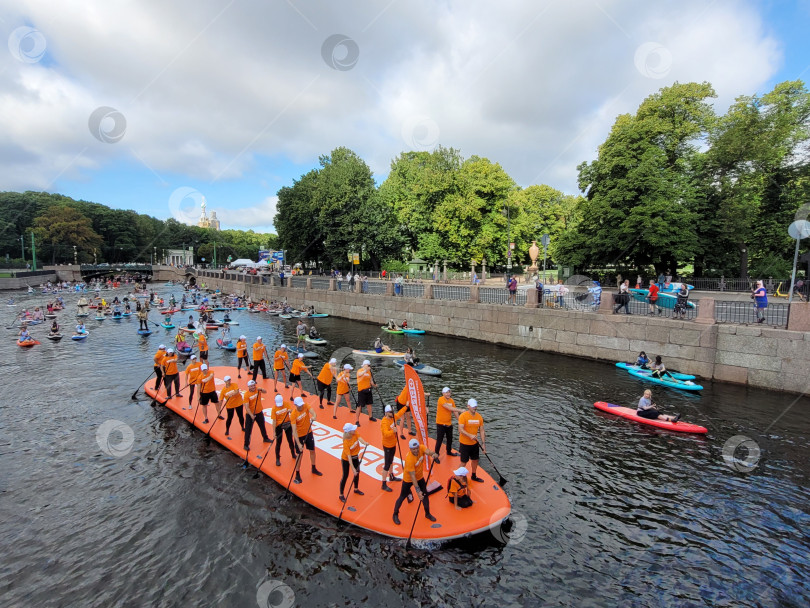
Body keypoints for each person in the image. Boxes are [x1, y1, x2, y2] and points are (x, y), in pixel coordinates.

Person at [392, 438, 439, 525]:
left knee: (425, 495)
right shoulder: (409, 459)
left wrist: (433, 454)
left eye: (417, 448)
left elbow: (427, 451)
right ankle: (395, 514)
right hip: (409, 479)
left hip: (420, 477)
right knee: (402, 496)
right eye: (414, 449)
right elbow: (412, 477)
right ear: (410, 449)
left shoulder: (421, 448)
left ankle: (427, 513)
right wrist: (418, 492)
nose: (416, 450)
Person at [291, 396, 323, 483]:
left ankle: (313, 468)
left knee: (312, 450)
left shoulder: (306, 406)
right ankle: (297, 473)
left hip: (308, 433)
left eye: (301, 405)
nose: (301, 407)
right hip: (299, 435)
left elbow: (313, 412)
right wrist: (298, 443)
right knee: (300, 455)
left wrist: (314, 416)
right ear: (296, 405)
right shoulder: (293, 414)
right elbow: (294, 431)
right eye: (299, 406)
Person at [458, 398, 486, 482]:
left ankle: (474, 475)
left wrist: (483, 444)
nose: (475, 408)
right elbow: (460, 429)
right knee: (464, 462)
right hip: (464, 443)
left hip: (474, 444)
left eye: (475, 406)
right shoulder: (463, 416)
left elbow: (481, 430)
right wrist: (469, 435)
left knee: (475, 460)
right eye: (473, 406)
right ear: (468, 406)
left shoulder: (479, 417)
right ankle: (458, 477)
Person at [339, 422, 368, 502]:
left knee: (357, 472)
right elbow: (349, 458)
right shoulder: (346, 442)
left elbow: (360, 438)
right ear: (349, 432)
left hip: (355, 456)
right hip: (346, 459)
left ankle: (356, 488)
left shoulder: (355, 433)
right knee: (345, 475)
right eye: (352, 429)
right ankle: (341, 494)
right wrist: (353, 469)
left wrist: (365, 443)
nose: (355, 430)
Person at [379, 405, 404, 492]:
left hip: (393, 443)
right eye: (390, 412)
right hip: (387, 445)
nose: (392, 413)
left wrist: (406, 406)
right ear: (386, 413)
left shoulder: (393, 417)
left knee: (391, 461)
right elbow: (385, 433)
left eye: (392, 412)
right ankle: (383, 483)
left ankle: (391, 475)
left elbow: (400, 413)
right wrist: (392, 431)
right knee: (387, 464)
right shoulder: (384, 422)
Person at [435, 387, 465, 457]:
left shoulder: (451, 400)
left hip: (448, 424)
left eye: (449, 392)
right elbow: (448, 407)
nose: (448, 394)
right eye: (446, 392)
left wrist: (459, 421)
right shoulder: (441, 399)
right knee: (439, 440)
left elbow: (454, 411)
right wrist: (460, 410)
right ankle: (436, 454)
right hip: (441, 424)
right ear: (443, 393)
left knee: (450, 439)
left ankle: (449, 452)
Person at [243, 380, 271, 450]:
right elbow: (246, 407)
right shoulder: (246, 395)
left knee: (262, 426)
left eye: (254, 385)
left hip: (259, 412)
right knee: (248, 430)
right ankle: (246, 445)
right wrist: (251, 415)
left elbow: (265, 392)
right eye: (251, 386)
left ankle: (265, 438)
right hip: (250, 415)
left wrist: (261, 389)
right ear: (248, 387)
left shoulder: (257, 389)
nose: (253, 387)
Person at [271, 394, 297, 466]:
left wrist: (290, 410)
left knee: (290, 440)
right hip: (279, 426)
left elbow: (292, 411)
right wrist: (274, 433)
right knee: (279, 442)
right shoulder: (274, 409)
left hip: (287, 424)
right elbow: (274, 421)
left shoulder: (286, 404)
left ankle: (293, 453)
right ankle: (277, 458)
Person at [355, 359, 377, 424]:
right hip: (361, 391)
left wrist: (374, 385)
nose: (369, 366)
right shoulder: (360, 370)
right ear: (364, 365)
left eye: (369, 365)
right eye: (368, 365)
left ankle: (370, 417)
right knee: (359, 406)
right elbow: (359, 374)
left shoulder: (369, 372)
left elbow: (371, 381)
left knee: (369, 404)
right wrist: (365, 370)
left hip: (368, 389)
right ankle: (357, 420)